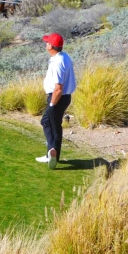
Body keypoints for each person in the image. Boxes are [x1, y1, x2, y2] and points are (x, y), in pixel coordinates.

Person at [38, 32, 77, 167]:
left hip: (58, 97)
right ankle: (53, 154)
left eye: (47, 42)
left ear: (51, 46)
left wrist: (52, 104)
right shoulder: (63, 56)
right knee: (53, 124)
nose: (46, 43)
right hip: (63, 97)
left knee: (48, 122)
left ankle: (52, 153)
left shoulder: (58, 63)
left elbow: (58, 88)